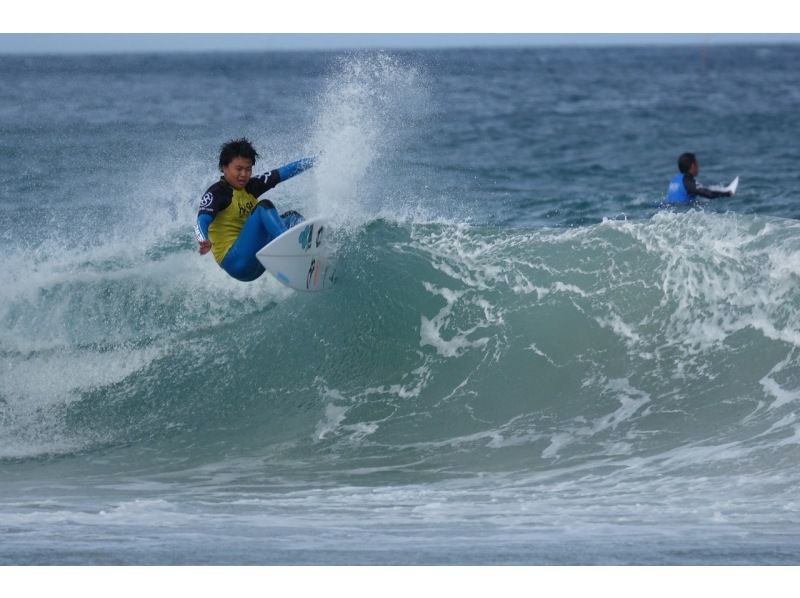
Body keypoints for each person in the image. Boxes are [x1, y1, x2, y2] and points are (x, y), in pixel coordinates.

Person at [195, 138, 314, 281]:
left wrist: (317, 160)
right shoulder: (217, 193)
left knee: (292, 218)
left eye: (248, 169)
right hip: (236, 262)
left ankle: (314, 252)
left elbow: (284, 172)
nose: (244, 175)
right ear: (224, 167)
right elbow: (201, 220)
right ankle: (289, 250)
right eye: (238, 169)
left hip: (258, 260)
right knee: (263, 206)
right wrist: (203, 240)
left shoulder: (251, 186)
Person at [665, 152, 734, 204]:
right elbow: (708, 194)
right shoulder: (688, 181)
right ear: (693, 166)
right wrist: (727, 193)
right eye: (697, 163)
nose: (698, 167)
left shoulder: (674, 180)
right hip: (683, 212)